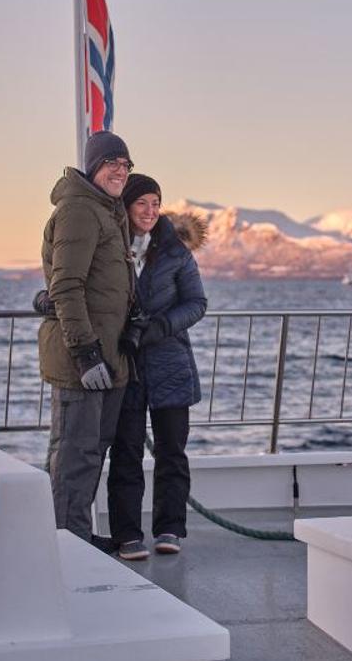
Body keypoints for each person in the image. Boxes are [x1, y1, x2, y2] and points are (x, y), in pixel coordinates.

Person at [37, 130, 137, 547]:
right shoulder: (80, 210)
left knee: (91, 453)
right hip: (83, 360)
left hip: (108, 356)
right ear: (93, 166)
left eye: (125, 164)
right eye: (112, 162)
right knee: (74, 457)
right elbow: (67, 285)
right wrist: (86, 352)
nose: (120, 170)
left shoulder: (107, 212)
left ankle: (76, 534)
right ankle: (64, 544)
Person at [105, 173, 208, 561]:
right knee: (126, 452)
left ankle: (169, 529)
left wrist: (162, 326)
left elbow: (197, 302)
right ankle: (127, 534)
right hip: (126, 365)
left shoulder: (175, 251)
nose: (149, 211)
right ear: (126, 206)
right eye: (141, 203)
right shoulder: (110, 245)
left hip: (170, 363)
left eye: (155, 203)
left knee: (171, 452)